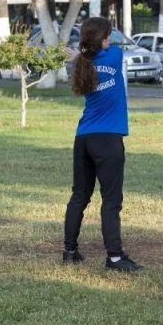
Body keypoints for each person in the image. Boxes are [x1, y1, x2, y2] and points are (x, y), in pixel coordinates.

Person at [62, 17, 142, 272]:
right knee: (110, 200)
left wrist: (77, 55)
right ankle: (115, 258)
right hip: (108, 139)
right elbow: (105, 49)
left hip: (84, 136)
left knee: (79, 196)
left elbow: (86, 53)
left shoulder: (80, 65)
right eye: (108, 35)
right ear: (104, 39)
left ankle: (70, 252)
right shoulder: (114, 56)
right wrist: (80, 53)